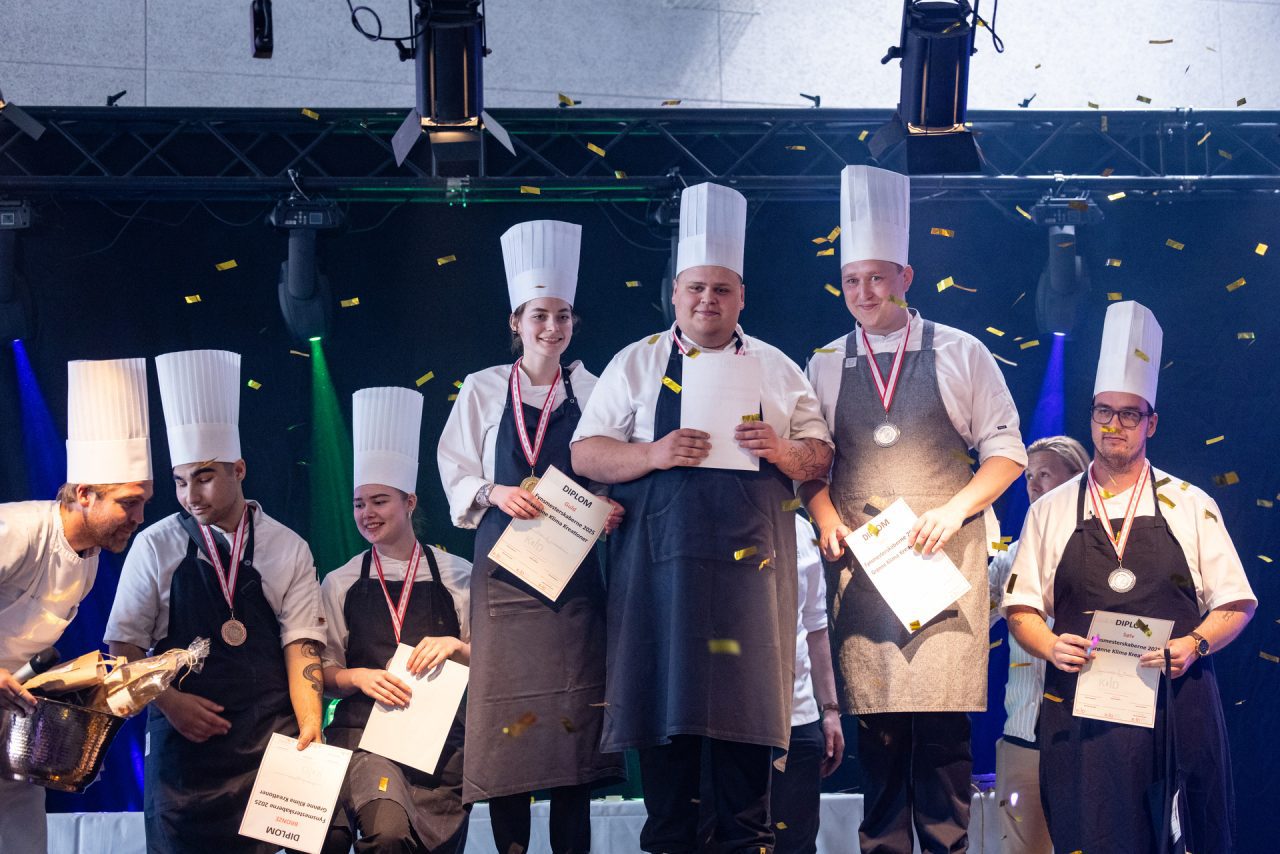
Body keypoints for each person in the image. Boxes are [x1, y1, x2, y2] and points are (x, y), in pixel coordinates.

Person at [571, 182, 834, 854]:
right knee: (669, 811)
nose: (707, 301)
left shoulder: (777, 369)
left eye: (721, 289)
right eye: (695, 289)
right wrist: (653, 453)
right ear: (675, 294)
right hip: (661, 598)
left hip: (750, 601)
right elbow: (586, 454)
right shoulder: (635, 364)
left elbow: (822, 456)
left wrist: (782, 449)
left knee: (747, 813)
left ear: (741, 296)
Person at [800, 164, 1026, 853]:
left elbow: (1007, 452)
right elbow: (814, 465)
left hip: (942, 570)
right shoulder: (826, 362)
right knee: (884, 744)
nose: (864, 293)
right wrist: (825, 516)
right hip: (866, 575)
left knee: (942, 747)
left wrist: (955, 510)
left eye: (877, 277)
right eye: (851, 281)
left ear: (906, 276)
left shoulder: (961, 352)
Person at [1004, 301, 1256, 853]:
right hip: (1085, 715)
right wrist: (1049, 644)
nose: (1113, 425)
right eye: (1102, 412)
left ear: (1151, 423)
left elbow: (1237, 603)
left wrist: (1194, 643)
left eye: (1128, 414)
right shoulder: (1050, 510)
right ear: (1090, 415)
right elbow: (1020, 606)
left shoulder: (1190, 503)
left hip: (1176, 706)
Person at [437, 219, 624, 854]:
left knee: (571, 734)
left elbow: (613, 468)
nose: (552, 328)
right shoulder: (484, 388)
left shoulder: (596, 391)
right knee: (509, 735)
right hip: (504, 578)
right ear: (516, 320)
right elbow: (455, 468)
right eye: (539, 315)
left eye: (563, 316)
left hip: (572, 583)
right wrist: (495, 492)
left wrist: (606, 505)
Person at [105, 349, 325, 854]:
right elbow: (123, 648)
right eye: (181, 481)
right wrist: (171, 702)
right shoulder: (155, 544)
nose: (190, 496)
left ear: (239, 468)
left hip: (269, 744)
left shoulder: (286, 546)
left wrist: (311, 722)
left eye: (203, 477)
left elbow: (302, 647)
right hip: (184, 759)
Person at [0, 358, 153, 854]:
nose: (138, 517)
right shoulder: (17, 532)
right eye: (128, 503)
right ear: (84, 494)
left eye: (144, 502)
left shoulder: (87, 560)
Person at [320, 386, 474, 854]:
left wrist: (457, 648)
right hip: (365, 737)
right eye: (359, 503)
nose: (367, 514)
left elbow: (497, 662)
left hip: (440, 748)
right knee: (387, 835)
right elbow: (320, 674)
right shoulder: (341, 580)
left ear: (409, 502)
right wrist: (358, 677)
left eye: (380, 501)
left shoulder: (457, 574)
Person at [987, 435, 1089, 853]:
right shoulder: (1011, 557)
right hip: (1023, 737)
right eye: (1029, 477)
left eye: (1045, 474)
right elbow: (973, 614)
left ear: (1078, 478)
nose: (1034, 485)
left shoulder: (1107, 553)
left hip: (1090, 734)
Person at [770, 514, 845, 854]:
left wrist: (829, 709)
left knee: (795, 845)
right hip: (726, 725)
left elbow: (815, 627)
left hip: (797, 720)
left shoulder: (800, 527)